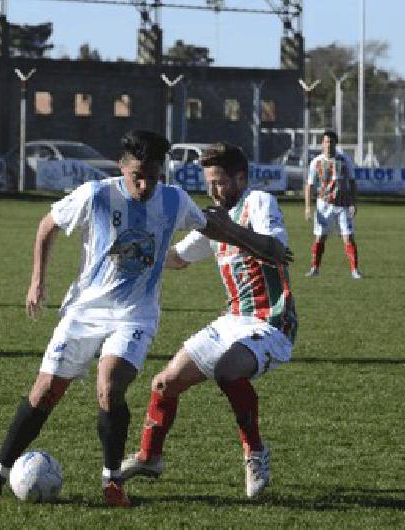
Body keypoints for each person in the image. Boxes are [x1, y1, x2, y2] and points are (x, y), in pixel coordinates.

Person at [0, 131, 291, 507]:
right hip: (84, 310)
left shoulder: (174, 199)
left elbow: (214, 228)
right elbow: (47, 225)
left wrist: (266, 246)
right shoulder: (96, 194)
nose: (146, 184)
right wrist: (37, 281)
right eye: (138, 175)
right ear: (122, 168)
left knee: (109, 386)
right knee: (46, 390)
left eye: (153, 175)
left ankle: (112, 481)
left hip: (135, 315)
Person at [119, 142, 296, 499]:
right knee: (165, 383)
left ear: (241, 178)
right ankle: (149, 456)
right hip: (233, 320)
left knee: (229, 369)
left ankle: (256, 453)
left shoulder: (259, 203)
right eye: (209, 183)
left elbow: (276, 250)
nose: (214, 190)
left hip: (271, 321)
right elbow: (179, 258)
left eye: (220, 182)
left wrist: (227, 230)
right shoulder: (214, 220)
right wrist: (132, 248)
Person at [303, 130, 361, 279]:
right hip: (324, 205)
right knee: (320, 238)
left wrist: (353, 203)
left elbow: (353, 182)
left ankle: (355, 270)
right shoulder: (316, 162)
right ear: (322, 144)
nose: (329, 144)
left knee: (348, 237)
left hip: (343, 205)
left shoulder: (344, 160)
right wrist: (308, 207)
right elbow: (309, 185)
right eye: (326, 141)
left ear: (336, 143)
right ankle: (315, 269)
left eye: (331, 141)